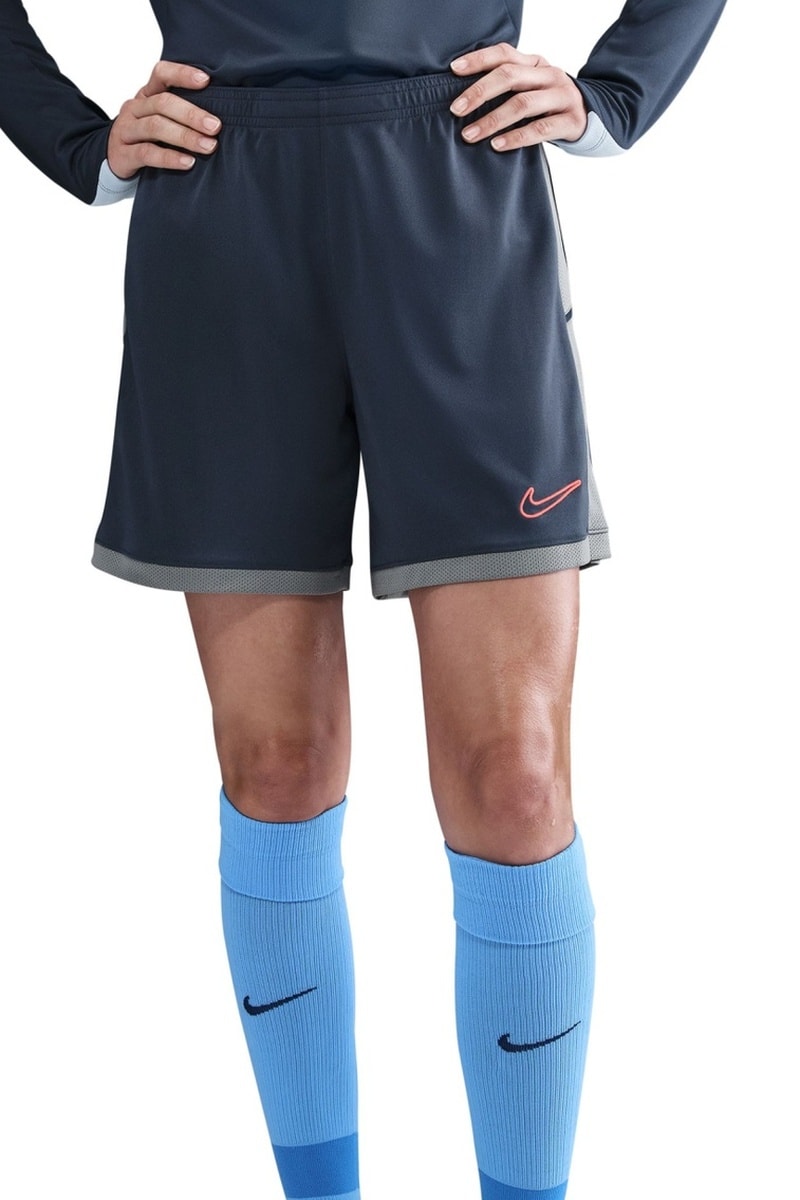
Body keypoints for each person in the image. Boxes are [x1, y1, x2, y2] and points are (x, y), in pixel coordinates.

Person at [0, 3, 727, 1198]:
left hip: (453, 188)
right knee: (276, 768)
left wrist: (614, 94)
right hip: (225, 207)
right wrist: (73, 143)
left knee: (515, 779)